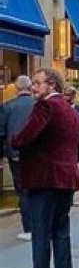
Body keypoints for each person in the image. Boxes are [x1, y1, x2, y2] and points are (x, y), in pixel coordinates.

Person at [10, 68, 79, 268]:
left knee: (41, 236)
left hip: (44, 181)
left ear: (51, 85)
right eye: (32, 83)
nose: (33, 87)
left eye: (37, 83)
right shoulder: (72, 111)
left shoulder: (46, 107)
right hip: (66, 181)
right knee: (61, 233)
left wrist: (14, 141)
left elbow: (25, 137)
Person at [0, 75, 34, 241]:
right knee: (38, 190)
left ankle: (29, 229)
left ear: (17, 88)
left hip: (16, 156)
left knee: (23, 191)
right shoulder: (39, 105)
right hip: (38, 156)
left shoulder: (7, 107)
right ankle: (42, 226)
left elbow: (1, 133)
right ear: (30, 87)